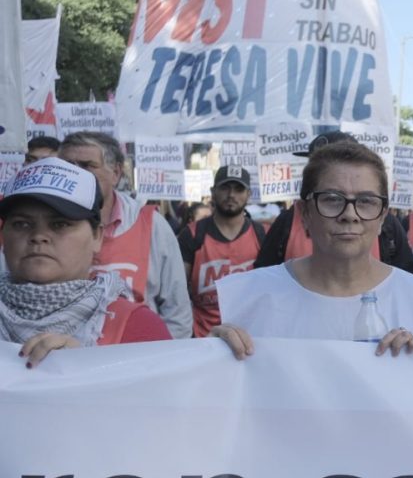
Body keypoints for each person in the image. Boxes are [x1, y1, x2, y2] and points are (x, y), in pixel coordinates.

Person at [213, 142, 413, 359]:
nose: (349, 214)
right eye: (332, 199)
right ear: (304, 213)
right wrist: (212, 354)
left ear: (383, 216)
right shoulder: (244, 297)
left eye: (366, 201)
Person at [0, 158, 170, 367]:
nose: (39, 236)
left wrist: (87, 373)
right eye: (22, 224)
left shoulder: (137, 328)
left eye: (60, 224)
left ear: (97, 236)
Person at [58, 131, 192, 339]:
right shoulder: (41, 229)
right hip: (67, 363)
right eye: (67, 166)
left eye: (86, 166)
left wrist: (162, 364)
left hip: (138, 364)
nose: (75, 174)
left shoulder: (151, 225)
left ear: (116, 173)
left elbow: (177, 314)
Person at [254, 131, 413, 274]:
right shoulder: (288, 219)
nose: (350, 215)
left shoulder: (386, 222)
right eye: (313, 163)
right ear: (306, 213)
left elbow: (405, 277)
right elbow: (265, 273)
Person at [178, 166, 265, 337]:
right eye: (225, 187)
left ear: (248, 194)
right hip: (203, 338)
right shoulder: (192, 234)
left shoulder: (262, 234)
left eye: (238, 189)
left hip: (252, 337)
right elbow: (177, 291)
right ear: (213, 191)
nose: (231, 194)